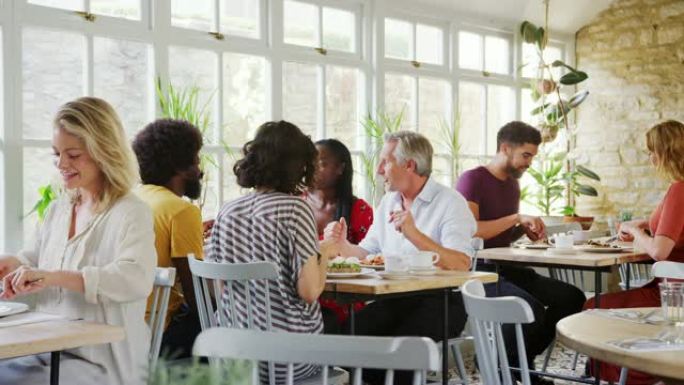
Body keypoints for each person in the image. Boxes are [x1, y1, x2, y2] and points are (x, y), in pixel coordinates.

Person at [0, 97, 156, 385]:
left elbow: (135, 278)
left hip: (103, 362)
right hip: (48, 349)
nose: (61, 164)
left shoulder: (131, 212)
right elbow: (35, 258)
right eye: (56, 154)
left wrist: (54, 277)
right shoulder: (59, 209)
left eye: (73, 155)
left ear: (104, 152)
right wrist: (14, 264)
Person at [325, 131, 475, 385]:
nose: (380, 169)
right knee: (346, 338)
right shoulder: (388, 202)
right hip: (394, 299)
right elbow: (369, 252)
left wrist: (414, 234)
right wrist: (341, 245)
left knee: (400, 351)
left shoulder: (450, 202)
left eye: (386, 161)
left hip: (443, 301)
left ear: (409, 165)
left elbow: (462, 263)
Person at [205, 121, 339, 383]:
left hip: (234, 357)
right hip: (288, 361)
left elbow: (219, 289)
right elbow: (309, 292)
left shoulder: (227, 211)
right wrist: (324, 253)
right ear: (300, 165)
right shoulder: (295, 210)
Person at [456, 121, 586, 384]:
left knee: (572, 297)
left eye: (532, 157)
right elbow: (471, 232)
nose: (529, 163)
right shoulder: (472, 179)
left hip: (507, 267)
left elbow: (500, 234)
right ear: (505, 148)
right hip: (478, 270)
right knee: (529, 307)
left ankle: (510, 363)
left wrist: (522, 231)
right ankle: (510, 367)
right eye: (526, 155)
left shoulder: (512, 184)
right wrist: (516, 217)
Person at [584, 120, 684, 385]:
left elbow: (661, 252)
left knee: (593, 308)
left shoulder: (679, 189)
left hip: (673, 295)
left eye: (653, 151)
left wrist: (636, 232)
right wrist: (646, 225)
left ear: (667, 152)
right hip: (673, 286)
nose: (651, 158)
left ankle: (630, 376)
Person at [132, 118, 204, 358]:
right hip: (157, 333)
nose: (200, 168)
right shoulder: (181, 210)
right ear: (181, 166)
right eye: (196, 158)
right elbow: (197, 295)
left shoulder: (135, 198)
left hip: (127, 326)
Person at [303, 139, 373, 331]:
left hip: (343, 299)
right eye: (311, 161)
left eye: (322, 163)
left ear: (340, 168)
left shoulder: (359, 210)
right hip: (303, 293)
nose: (314, 168)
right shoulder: (294, 206)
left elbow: (370, 259)